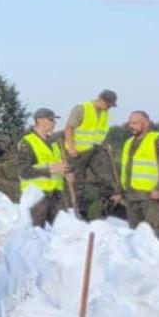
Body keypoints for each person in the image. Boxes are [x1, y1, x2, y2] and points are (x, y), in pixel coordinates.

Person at [113, 110, 159, 243]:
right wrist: (119, 192)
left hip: (152, 198)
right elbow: (125, 171)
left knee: (156, 237)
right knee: (137, 239)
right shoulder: (128, 143)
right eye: (130, 123)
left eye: (135, 123)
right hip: (132, 199)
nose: (131, 126)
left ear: (146, 123)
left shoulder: (158, 141)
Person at [63, 89, 120, 220]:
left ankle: (107, 210)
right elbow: (69, 128)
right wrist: (71, 147)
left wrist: (104, 144)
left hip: (96, 150)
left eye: (111, 105)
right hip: (78, 152)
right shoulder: (81, 108)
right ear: (100, 99)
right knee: (76, 183)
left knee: (107, 177)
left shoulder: (105, 113)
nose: (109, 108)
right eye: (108, 104)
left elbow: (98, 132)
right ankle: (76, 213)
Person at [19, 109, 69, 227]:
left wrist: (66, 172)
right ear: (39, 121)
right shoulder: (28, 142)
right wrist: (49, 170)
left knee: (62, 231)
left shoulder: (54, 142)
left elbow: (57, 165)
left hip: (56, 195)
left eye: (54, 120)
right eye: (51, 120)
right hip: (37, 196)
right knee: (37, 232)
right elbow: (23, 171)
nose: (54, 123)